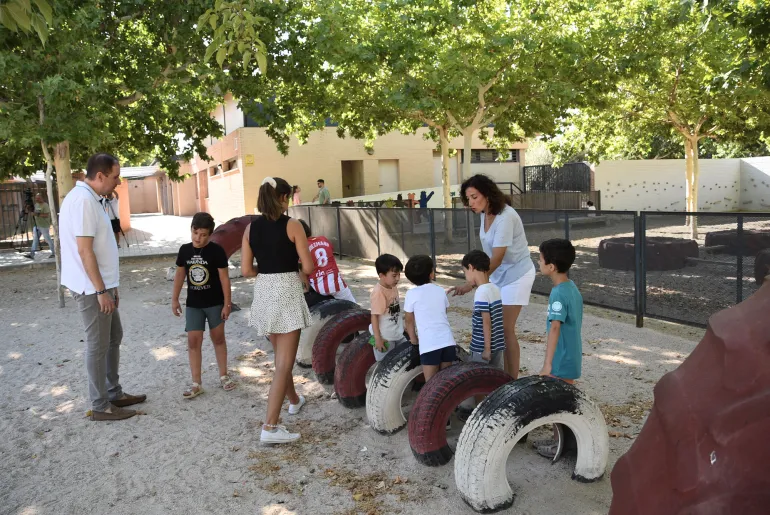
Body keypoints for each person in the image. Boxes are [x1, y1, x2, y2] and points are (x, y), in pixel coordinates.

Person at [60, 153, 146, 421]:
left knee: (113, 337)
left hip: (101, 286)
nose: (118, 182)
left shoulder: (91, 199)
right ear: (100, 176)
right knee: (98, 346)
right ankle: (100, 406)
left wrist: (111, 286)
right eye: (115, 177)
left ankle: (113, 393)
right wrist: (100, 291)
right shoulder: (84, 201)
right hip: (91, 290)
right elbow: (85, 252)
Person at [241, 176, 314, 444]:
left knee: (280, 356)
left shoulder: (250, 229)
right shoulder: (293, 225)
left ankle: (294, 400)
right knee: (284, 363)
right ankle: (270, 427)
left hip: (264, 291)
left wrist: (267, 269)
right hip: (286, 290)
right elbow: (307, 267)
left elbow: (247, 270)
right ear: (283, 198)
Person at [451, 174, 535, 379]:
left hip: (517, 274)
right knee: (496, 329)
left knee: (506, 329)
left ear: (487, 195)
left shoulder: (506, 217)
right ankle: (497, 375)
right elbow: (490, 259)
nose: (470, 202)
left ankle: (512, 380)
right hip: (498, 274)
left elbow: (497, 258)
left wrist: (472, 283)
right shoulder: (484, 213)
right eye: (468, 198)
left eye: (474, 197)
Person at [172, 212, 235, 399]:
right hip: (194, 304)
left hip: (215, 303)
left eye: (203, 235)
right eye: (195, 233)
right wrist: (175, 299)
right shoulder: (184, 250)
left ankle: (224, 376)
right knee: (193, 341)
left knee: (218, 338)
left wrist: (227, 304)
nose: (198, 238)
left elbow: (224, 278)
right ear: (191, 229)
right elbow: (179, 276)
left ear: (210, 234)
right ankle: (196, 383)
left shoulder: (217, 251)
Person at [533, 238, 583, 458]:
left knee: (556, 403)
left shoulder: (558, 294)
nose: (538, 262)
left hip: (560, 360)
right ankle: (557, 440)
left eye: (541, 259)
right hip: (571, 355)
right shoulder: (571, 288)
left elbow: (555, 328)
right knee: (561, 401)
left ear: (551, 266)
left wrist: (547, 364)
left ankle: (559, 445)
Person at [404, 255, 457, 382]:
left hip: (429, 345)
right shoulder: (440, 291)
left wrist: (413, 339)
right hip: (448, 342)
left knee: (431, 384)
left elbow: (409, 320)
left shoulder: (411, 294)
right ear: (431, 274)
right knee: (445, 383)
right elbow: (444, 312)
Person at [462, 250, 505, 369]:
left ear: (471, 267)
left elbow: (486, 321)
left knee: (478, 378)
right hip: (498, 344)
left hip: (481, 347)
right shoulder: (495, 288)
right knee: (496, 377)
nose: (466, 276)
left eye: (465, 272)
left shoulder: (481, 292)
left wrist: (487, 349)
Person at [299, 220, 356, 303]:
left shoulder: (302, 248)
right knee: (353, 304)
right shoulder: (324, 239)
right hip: (336, 284)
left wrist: (305, 292)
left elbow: (303, 271)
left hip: (319, 287)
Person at [369, 254, 406, 361]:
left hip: (397, 334)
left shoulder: (393, 287)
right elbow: (374, 317)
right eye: (394, 276)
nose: (398, 279)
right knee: (385, 366)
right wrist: (377, 339)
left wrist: (403, 326)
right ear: (381, 275)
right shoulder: (378, 293)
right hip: (385, 337)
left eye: (399, 275)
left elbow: (395, 311)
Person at [25, 193, 55, 260]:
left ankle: (54, 253)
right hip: (37, 225)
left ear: (42, 198)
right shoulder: (36, 205)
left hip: (44, 226)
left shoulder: (45, 205)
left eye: (38, 198)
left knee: (48, 240)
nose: (36, 199)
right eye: (36, 198)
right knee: (35, 240)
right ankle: (32, 254)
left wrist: (36, 214)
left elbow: (46, 215)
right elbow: (33, 212)